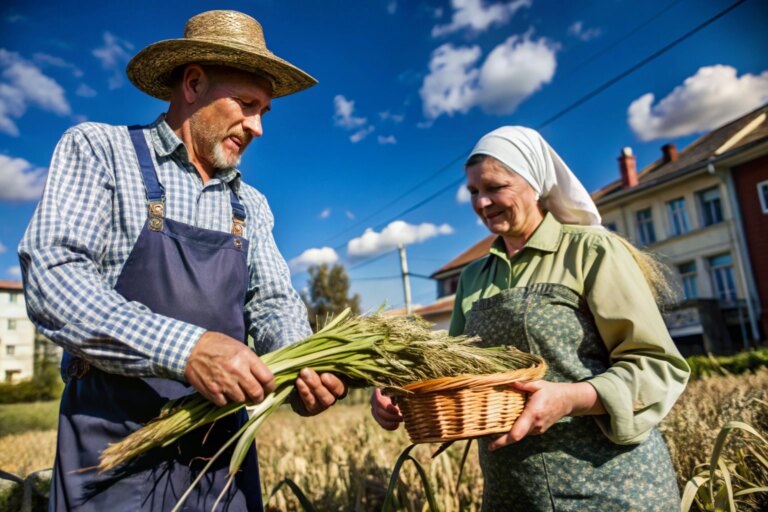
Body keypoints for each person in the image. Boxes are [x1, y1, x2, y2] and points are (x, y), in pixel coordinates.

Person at [18, 10, 346, 511]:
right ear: (193, 83)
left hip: (218, 456)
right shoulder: (101, 151)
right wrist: (187, 349)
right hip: (112, 451)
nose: (257, 127)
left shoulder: (250, 205)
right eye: (247, 104)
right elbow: (54, 277)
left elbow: (274, 301)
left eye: (265, 111)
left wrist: (299, 361)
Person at [371, 126, 690, 510]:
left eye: (495, 187)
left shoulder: (591, 251)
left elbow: (658, 367)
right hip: (514, 490)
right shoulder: (474, 277)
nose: (482, 203)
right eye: (474, 192)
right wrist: (399, 394)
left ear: (536, 184)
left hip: (610, 484)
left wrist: (569, 398)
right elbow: (451, 373)